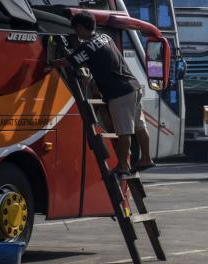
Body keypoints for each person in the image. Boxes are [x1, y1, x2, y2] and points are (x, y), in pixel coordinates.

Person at [53, 11, 154, 178]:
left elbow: (67, 62)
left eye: (76, 30)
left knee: (123, 131)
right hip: (133, 86)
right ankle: (146, 158)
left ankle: (122, 165)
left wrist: (49, 61)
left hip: (119, 92)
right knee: (139, 126)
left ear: (80, 27)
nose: (76, 34)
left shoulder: (87, 46)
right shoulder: (106, 37)